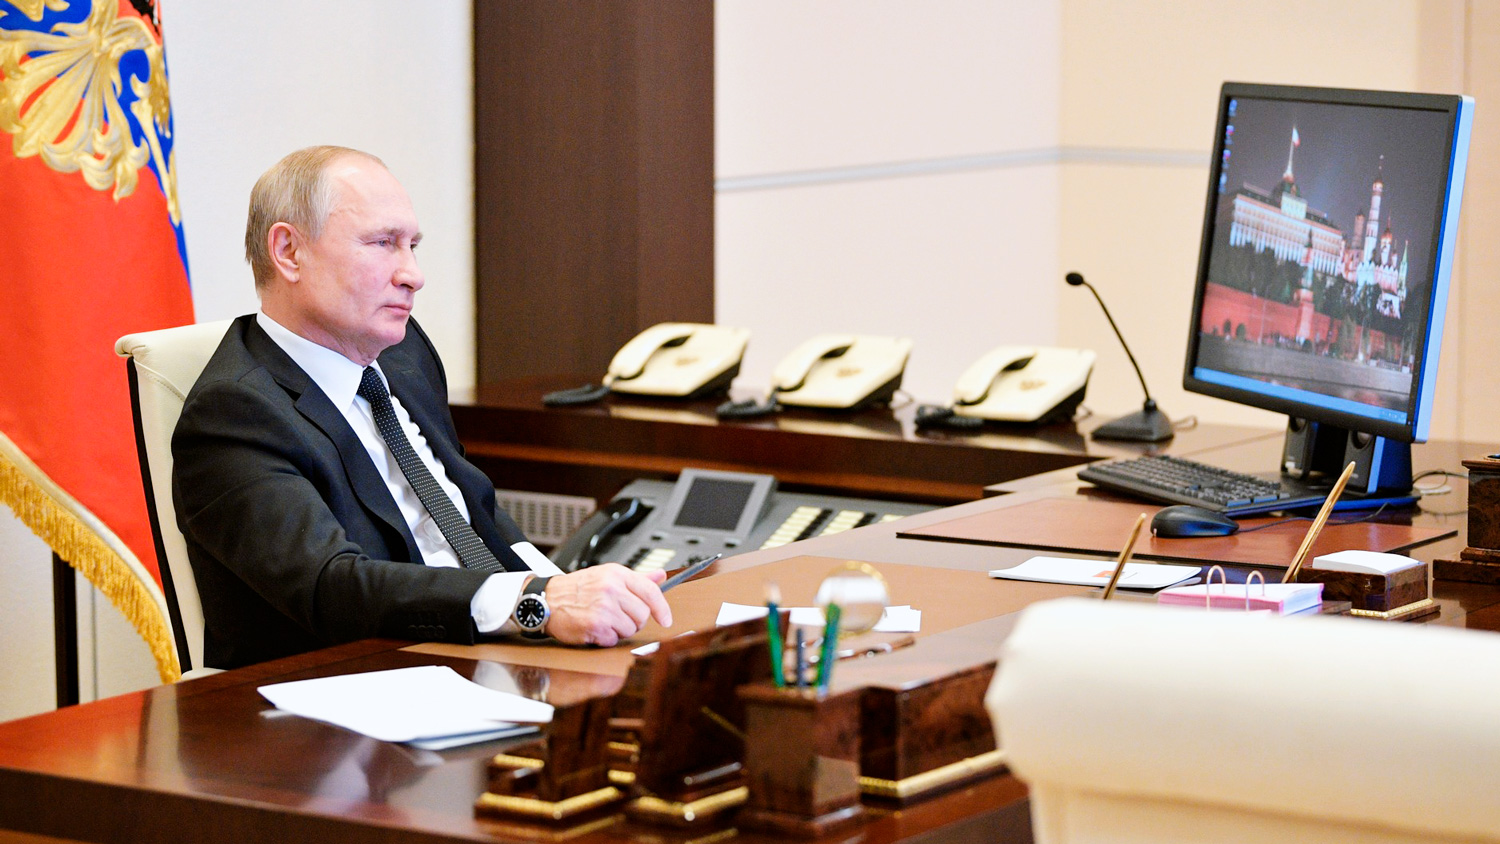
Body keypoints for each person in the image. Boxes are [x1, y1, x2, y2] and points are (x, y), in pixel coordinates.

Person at [172, 146, 672, 669]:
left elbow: (471, 512)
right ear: (288, 251)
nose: (413, 274)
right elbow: (332, 586)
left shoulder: (403, 354)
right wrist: (536, 603)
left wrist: (562, 585)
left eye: (412, 246)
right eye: (383, 243)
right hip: (355, 686)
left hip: (485, 651)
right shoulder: (233, 412)